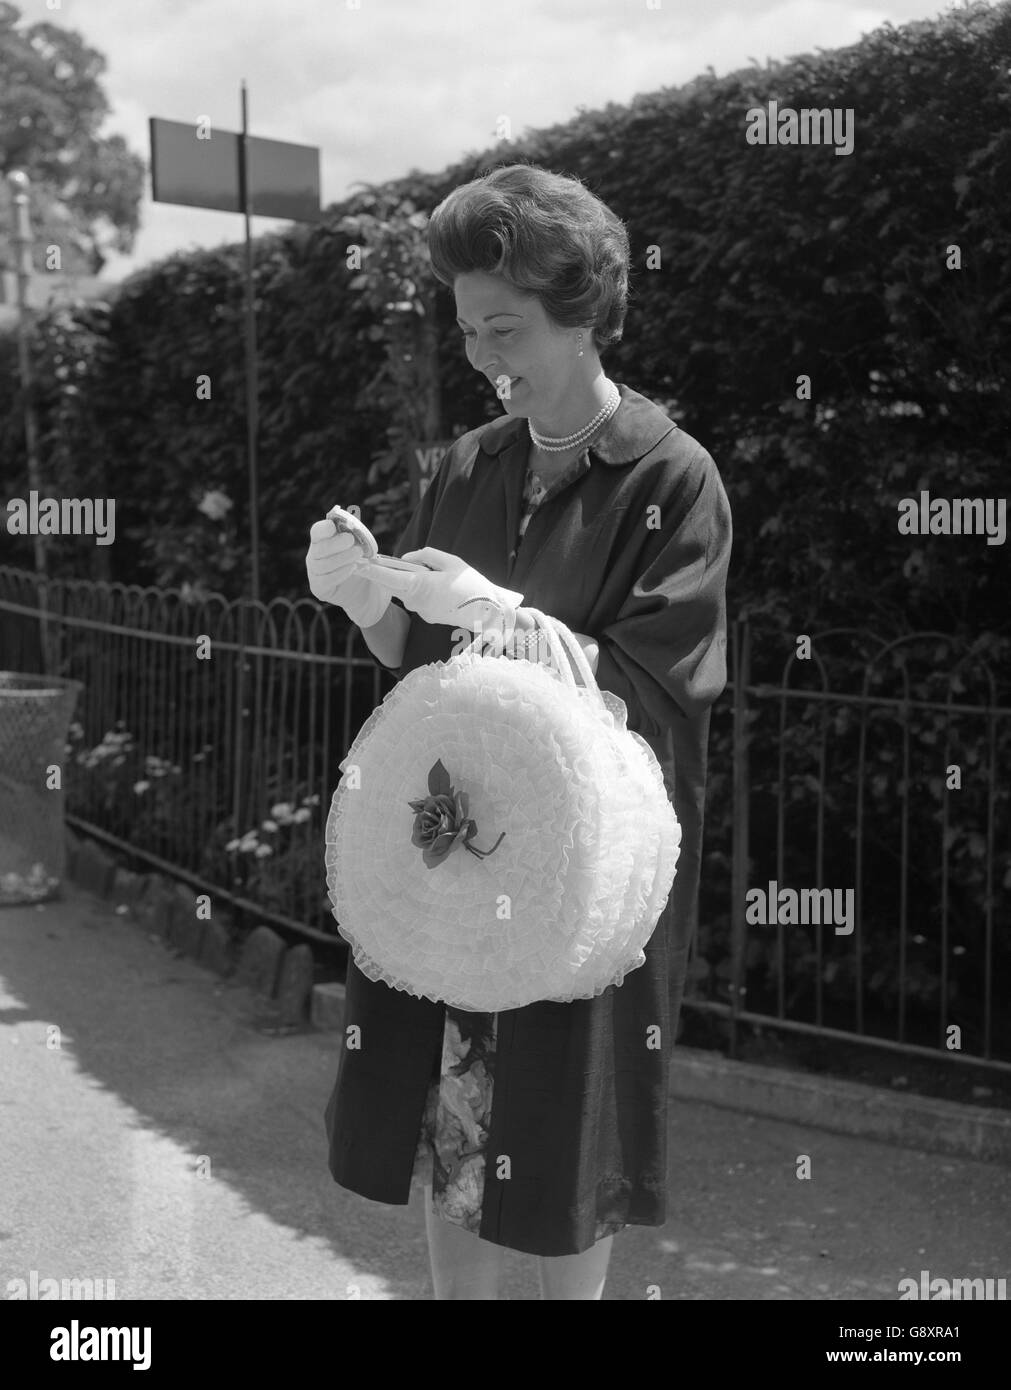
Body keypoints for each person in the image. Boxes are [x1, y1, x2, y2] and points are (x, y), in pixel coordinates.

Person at [305, 163, 732, 1300]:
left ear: (584, 311)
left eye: (505, 327)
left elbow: (655, 685)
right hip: (455, 863)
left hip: (577, 881)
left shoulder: (672, 476)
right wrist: (369, 598)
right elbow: (429, 665)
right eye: (467, 329)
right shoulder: (471, 463)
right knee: (453, 1132)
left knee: (555, 1146)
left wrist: (507, 616)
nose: (484, 357)